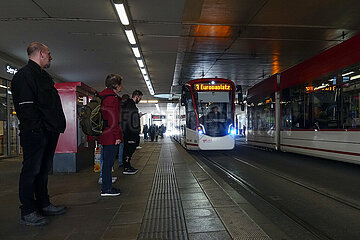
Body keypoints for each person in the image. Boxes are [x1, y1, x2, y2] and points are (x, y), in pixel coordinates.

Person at [11, 42, 67, 226]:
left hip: (48, 131)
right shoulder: (24, 76)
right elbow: (26, 108)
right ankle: (28, 210)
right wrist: (38, 129)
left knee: (43, 171)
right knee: (31, 171)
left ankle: (43, 204)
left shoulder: (44, 76)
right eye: (49, 53)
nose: (51, 57)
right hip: (36, 133)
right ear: (41, 53)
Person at [98, 74, 123, 196]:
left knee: (106, 162)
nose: (121, 87)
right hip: (110, 136)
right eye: (120, 84)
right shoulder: (111, 99)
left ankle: (107, 186)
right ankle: (106, 189)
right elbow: (113, 119)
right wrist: (117, 136)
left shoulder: (103, 96)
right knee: (108, 163)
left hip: (104, 133)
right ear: (116, 85)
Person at [122, 90, 143, 174]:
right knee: (129, 149)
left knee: (128, 149)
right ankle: (126, 167)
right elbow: (130, 120)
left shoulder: (130, 105)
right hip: (130, 133)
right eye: (140, 98)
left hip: (129, 132)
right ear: (137, 96)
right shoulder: (130, 105)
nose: (140, 100)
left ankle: (127, 166)